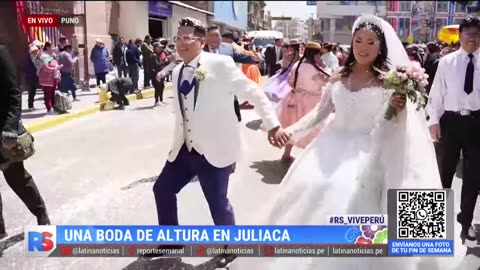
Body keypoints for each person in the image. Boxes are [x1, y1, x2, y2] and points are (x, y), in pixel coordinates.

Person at [229, 14, 466, 270]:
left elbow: (395, 126)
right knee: (309, 192)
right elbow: (319, 114)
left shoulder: (391, 81)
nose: (363, 47)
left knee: (348, 198)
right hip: (328, 149)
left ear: (380, 46)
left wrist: (400, 110)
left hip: (370, 150)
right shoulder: (338, 75)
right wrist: (290, 131)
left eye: (370, 42)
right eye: (358, 41)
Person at [148, 17, 288, 258]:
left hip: (215, 148)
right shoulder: (179, 69)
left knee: (217, 202)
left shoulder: (221, 64)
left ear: (201, 42)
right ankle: (171, 241)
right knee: (162, 190)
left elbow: (254, 93)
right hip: (184, 148)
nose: (180, 43)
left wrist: (273, 124)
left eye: (187, 38)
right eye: (178, 38)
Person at [428, 16, 480, 241]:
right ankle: (434, 224)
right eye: (468, 33)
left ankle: (465, 222)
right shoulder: (446, 62)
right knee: (443, 173)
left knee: (473, 177)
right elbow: (436, 93)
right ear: (460, 36)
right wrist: (433, 121)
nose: (473, 38)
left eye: (477, 34)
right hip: (449, 122)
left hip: (477, 123)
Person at [0, 44, 50, 239]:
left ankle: (41, 213)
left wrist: (10, 127)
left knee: (17, 178)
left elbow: (14, 93)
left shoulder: (1, 53)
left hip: (3, 131)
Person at [275, 42, 332, 162]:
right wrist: (325, 67)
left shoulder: (298, 65)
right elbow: (326, 82)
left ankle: (286, 153)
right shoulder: (318, 68)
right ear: (317, 53)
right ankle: (308, 159)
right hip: (312, 102)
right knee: (313, 130)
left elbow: (291, 82)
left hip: (295, 100)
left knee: (293, 127)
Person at [38, 42, 62, 115]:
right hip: (47, 79)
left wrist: (58, 74)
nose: (54, 49)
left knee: (52, 94)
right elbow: (45, 68)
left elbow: (55, 64)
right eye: (52, 47)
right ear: (48, 48)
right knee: (47, 94)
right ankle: (49, 109)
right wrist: (55, 69)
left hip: (53, 78)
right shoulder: (44, 56)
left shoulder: (52, 55)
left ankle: (52, 108)